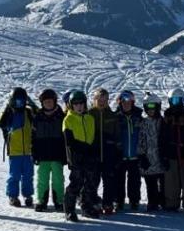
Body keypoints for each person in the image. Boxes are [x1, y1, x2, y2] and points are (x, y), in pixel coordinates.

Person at [62, 90, 101, 221]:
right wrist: (84, 149)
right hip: (76, 157)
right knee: (76, 183)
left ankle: (86, 207)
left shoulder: (90, 119)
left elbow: (94, 137)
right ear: (71, 105)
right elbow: (69, 141)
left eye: (81, 104)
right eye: (76, 104)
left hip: (89, 156)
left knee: (90, 183)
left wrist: (93, 150)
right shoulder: (68, 119)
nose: (79, 107)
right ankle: (69, 210)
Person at [0, 87, 36, 208]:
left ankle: (28, 195)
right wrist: (8, 107)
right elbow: (0, 123)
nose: (20, 103)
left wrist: (32, 104)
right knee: (14, 175)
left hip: (28, 151)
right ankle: (13, 196)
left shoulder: (28, 112)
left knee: (28, 175)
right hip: (15, 151)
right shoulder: (9, 113)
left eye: (22, 101)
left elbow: (40, 115)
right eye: (17, 100)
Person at [31, 88, 66, 212]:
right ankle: (41, 201)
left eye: (50, 101)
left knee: (58, 179)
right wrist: (34, 153)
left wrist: (65, 155)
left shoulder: (62, 117)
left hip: (57, 154)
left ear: (55, 101)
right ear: (42, 103)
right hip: (43, 155)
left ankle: (59, 201)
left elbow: (66, 138)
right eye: (46, 102)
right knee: (42, 179)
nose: (48, 104)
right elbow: (33, 137)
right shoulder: (37, 118)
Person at [90, 88, 122, 214]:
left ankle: (107, 203)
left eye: (104, 100)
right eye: (99, 99)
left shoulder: (112, 115)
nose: (102, 102)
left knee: (109, 180)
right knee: (93, 180)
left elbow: (117, 134)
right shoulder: (89, 114)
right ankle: (93, 203)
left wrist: (118, 151)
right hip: (94, 153)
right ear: (94, 100)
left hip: (109, 153)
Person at [161, 88, 184, 212]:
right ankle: (171, 203)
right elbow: (162, 137)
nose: (176, 103)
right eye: (174, 100)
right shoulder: (166, 119)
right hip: (171, 153)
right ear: (170, 101)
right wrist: (163, 155)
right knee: (171, 180)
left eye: (179, 100)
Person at [115, 90, 145, 211]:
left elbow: (143, 136)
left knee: (135, 180)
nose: (126, 104)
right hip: (120, 155)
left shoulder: (138, 118)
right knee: (119, 179)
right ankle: (119, 200)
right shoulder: (116, 117)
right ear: (120, 103)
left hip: (135, 155)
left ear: (132, 103)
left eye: (129, 102)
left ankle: (134, 200)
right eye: (123, 102)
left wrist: (142, 152)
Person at [137, 94, 166, 211]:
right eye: (148, 108)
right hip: (148, 159)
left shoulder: (163, 122)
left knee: (163, 183)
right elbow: (140, 140)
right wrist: (141, 156)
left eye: (153, 107)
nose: (151, 110)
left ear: (158, 107)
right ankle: (152, 202)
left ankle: (164, 201)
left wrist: (166, 156)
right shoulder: (144, 123)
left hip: (160, 158)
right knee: (150, 183)